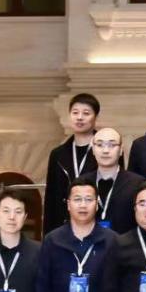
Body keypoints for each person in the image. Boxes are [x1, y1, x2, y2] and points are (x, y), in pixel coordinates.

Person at [33, 179, 119, 292]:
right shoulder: (52, 240)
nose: (83, 205)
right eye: (77, 199)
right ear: (68, 204)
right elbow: (43, 289)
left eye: (88, 199)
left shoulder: (112, 241)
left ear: (97, 204)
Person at [44, 93, 99, 232]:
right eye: (75, 112)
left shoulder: (105, 151)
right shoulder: (57, 154)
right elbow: (51, 199)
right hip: (63, 226)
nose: (80, 117)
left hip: (97, 224)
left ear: (95, 117)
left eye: (86, 113)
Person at [84, 127, 145, 234]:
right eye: (100, 145)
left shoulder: (137, 184)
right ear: (93, 149)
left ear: (121, 150)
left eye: (112, 145)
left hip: (126, 243)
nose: (105, 150)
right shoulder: (82, 183)